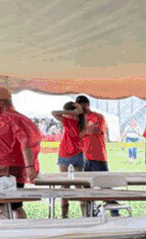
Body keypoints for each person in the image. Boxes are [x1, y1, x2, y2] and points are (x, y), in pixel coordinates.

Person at [0, 88, 41, 219]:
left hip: (8, 171)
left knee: (9, 206)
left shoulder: (13, 119)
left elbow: (25, 144)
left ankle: (14, 233)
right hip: (14, 170)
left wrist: (29, 167)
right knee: (14, 205)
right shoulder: (18, 118)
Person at [51, 100, 86, 218]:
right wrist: (76, 111)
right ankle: (84, 213)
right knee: (77, 185)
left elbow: (54, 113)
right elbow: (54, 113)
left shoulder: (68, 120)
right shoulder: (81, 121)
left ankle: (64, 215)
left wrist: (70, 112)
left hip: (66, 155)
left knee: (66, 185)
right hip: (77, 154)